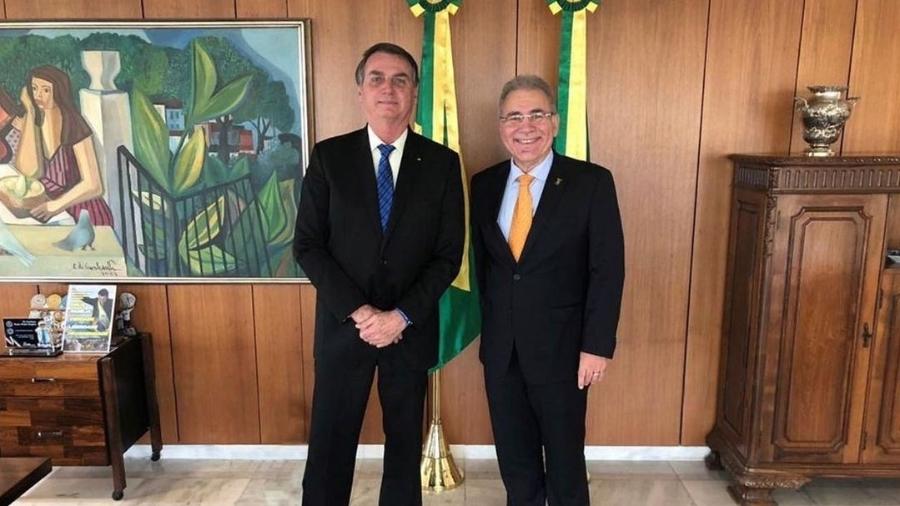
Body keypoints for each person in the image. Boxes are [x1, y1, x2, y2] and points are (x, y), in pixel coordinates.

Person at [293, 42, 464, 506]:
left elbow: (448, 255)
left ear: (414, 94)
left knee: (404, 449)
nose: (388, 89)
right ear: (361, 91)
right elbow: (307, 245)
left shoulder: (442, 164)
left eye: (400, 80)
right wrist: (362, 312)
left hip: (408, 333)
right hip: (343, 329)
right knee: (330, 446)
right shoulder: (329, 157)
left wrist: (400, 316)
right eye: (377, 79)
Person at [470, 75, 625, 506]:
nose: (526, 126)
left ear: (555, 122)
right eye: (514, 117)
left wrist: (596, 346)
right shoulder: (483, 185)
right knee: (515, 461)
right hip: (502, 352)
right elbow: (486, 269)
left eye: (537, 114)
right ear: (501, 127)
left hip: (564, 352)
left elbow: (607, 270)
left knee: (565, 462)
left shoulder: (591, 182)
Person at [7, 65, 113, 225]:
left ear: (60, 92)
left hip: (82, 212)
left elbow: (93, 185)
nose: (38, 95)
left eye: (46, 90)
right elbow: (28, 172)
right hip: (48, 210)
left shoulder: (74, 124)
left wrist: (55, 206)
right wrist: (30, 112)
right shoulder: (33, 122)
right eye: (34, 88)